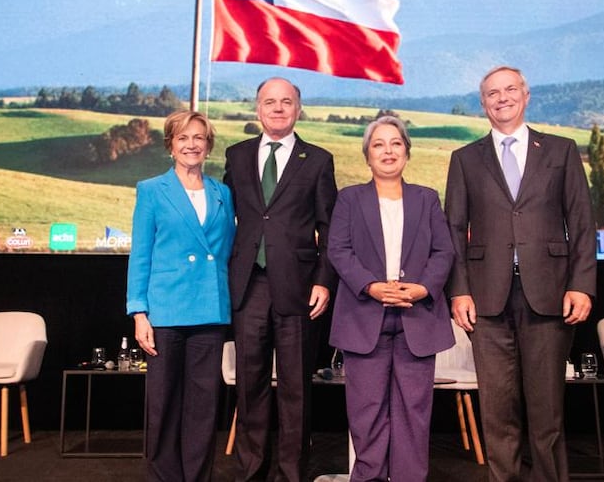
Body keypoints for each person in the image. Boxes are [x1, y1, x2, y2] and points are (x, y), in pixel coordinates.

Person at [444, 66, 597, 482]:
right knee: (498, 414)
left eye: (510, 89)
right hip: (486, 301)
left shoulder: (561, 151)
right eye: (492, 93)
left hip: (549, 297)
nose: (502, 97)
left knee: (547, 415)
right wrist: (459, 292)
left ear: (526, 96)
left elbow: (581, 222)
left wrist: (581, 285)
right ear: (483, 104)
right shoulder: (465, 159)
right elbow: (453, 231)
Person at [326, 115, 456, 482]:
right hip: (364, 317)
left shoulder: (427, 199)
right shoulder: (349, 199)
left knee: (414, 412)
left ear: (407, 153)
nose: (388, 151)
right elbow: (338, 250)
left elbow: (444, 252)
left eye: (395, 143)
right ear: (367, 155)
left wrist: (422, 288)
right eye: (379, 144)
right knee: (366, 413)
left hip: (417, 319)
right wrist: (370, 286)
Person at [223, 77, 338, 482]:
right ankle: (252, 470)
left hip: (301, 289)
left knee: (296, 389)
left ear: (298, 108)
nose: (277, 108)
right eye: (269, 102)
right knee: (249, 385)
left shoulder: (319, 160)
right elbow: (224, 220)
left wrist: (324, 281)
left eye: (285, 101)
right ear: (257, 109)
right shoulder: (236, 156)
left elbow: (331, 228)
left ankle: (292, 473)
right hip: (249, 286)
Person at [126, 110, 236, 482]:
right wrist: (139, 312)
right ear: (170, 145)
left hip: (209, 310)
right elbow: (141, 255)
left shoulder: (223, 194)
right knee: (163, 405)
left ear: (208, 146)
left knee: (203, 408)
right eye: (183, 138)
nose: (191, 145)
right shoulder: (152, 190)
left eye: (199, 138)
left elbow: (229, 250)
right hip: (166, 312)